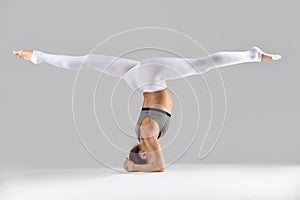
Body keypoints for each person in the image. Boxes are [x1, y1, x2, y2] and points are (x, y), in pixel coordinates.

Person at [13, 46, 281, 172]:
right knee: (203, 63)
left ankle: (37, 56)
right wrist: (133, 167)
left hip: (139, 78)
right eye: (144, 153)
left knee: (84, 61)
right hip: (149, 76)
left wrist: (132, 162)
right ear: (145, 151)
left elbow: (153, 159)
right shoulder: (150, 132)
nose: (146, 151)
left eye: (142, 153)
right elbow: (159, 166)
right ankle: (254, 54)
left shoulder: (145, 131)